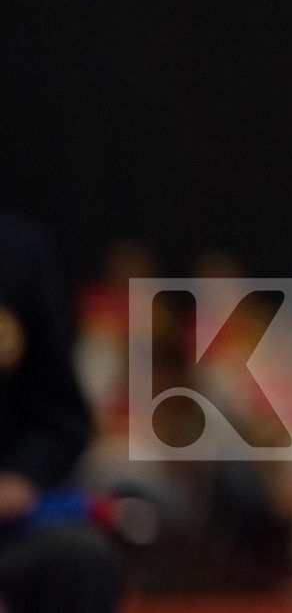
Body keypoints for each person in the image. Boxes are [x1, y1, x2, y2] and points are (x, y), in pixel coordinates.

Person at [0, 211, 122, 613]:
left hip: (6, 524)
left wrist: (21, 476)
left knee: (83, 560)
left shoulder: (18, 251)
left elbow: (60, 414)